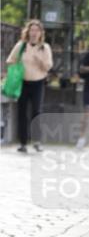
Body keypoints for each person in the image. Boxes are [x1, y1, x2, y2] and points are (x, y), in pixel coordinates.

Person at [6, 19, 53, 153]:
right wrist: (17, 66)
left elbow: (48, 67)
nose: (34, 33)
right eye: (32, 30)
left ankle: (37, 141)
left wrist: (39, 61)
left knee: (36, 112)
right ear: (28, 31)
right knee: (22, 112)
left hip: (38, 82)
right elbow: (10, 60)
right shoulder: (21, 45)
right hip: (23, 82)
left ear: (40, 33)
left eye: (37, 30)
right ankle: (23, 143)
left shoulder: (45, 47)